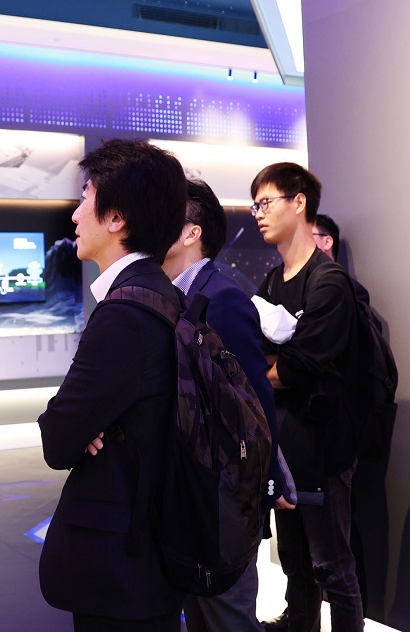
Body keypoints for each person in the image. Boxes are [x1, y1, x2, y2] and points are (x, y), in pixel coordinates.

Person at [38, 138, 187, 631]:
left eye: (85, 198)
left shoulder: (124, 315)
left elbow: (58, 438)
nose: (75, 215)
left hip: (121, 567)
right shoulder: (162, 295)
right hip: (149, 554)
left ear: (117, 217)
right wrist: (87, 424)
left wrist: (81, 426)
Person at [162, 178, 290, 632]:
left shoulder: (223, 298)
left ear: (191, 232)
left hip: (220, 501)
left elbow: (253, 402)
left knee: (228, 617)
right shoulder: (166, 296)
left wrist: (265, 484)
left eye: (165, 214)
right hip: (185, 496)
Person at [251, 164, 364, 632]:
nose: (259, 213)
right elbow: (257, 357)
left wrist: (272, 367)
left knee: (332, 567)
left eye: (266, 202)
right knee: (296, 563)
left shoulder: (328, 282)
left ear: (299, 202)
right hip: (285, 447)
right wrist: (274, 366)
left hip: (324, 450)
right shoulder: (272, 281)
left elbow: (295, 368)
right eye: (255, 205)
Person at [313, 213, 390, 621]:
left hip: (342, 441)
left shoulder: (343, 294)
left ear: (326, 242)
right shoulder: (335, 293)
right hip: (332, 440)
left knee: (340, 550)